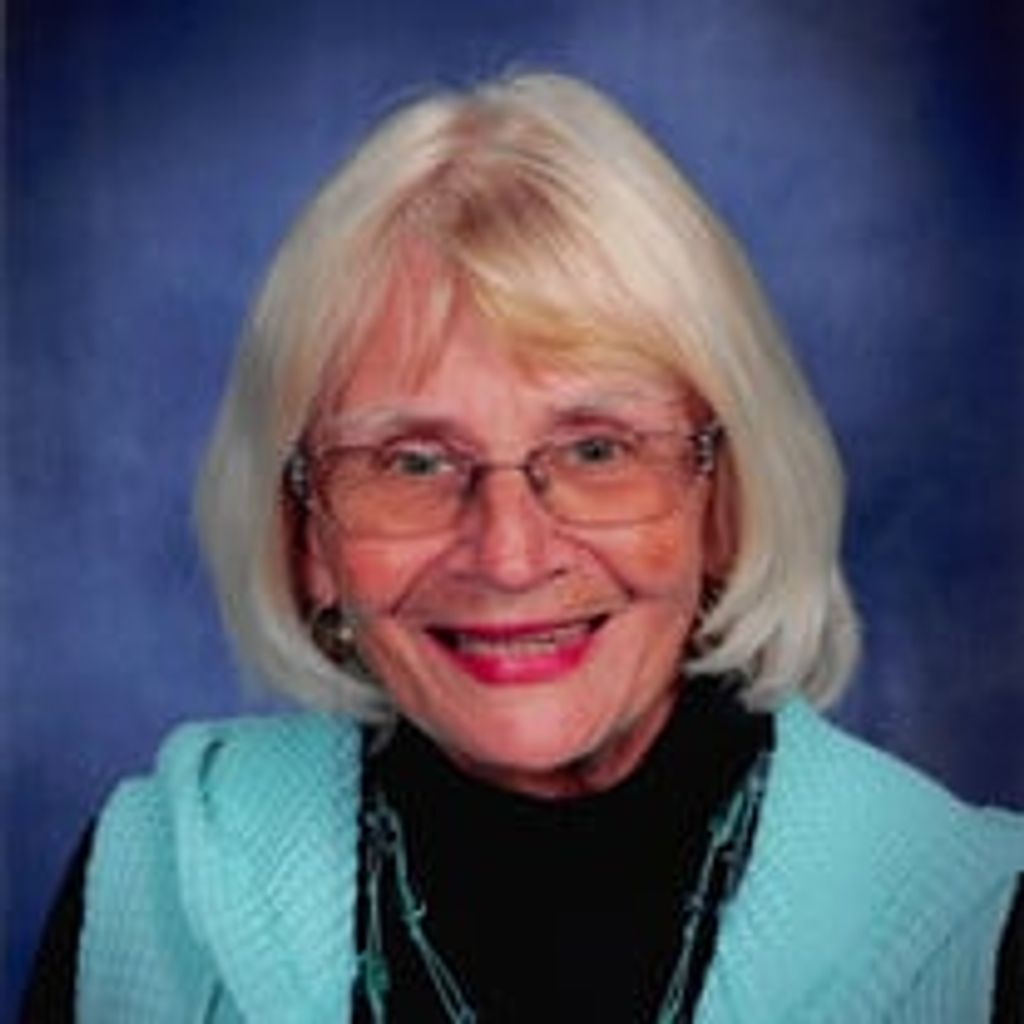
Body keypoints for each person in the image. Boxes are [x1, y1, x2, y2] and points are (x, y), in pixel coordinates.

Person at [23, 72, 1023, 1023]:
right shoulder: (155, 888)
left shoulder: (971, 926)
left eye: (597, 450)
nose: (508, 556)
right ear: (308, 536)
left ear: (723, 502)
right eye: (413, 461)